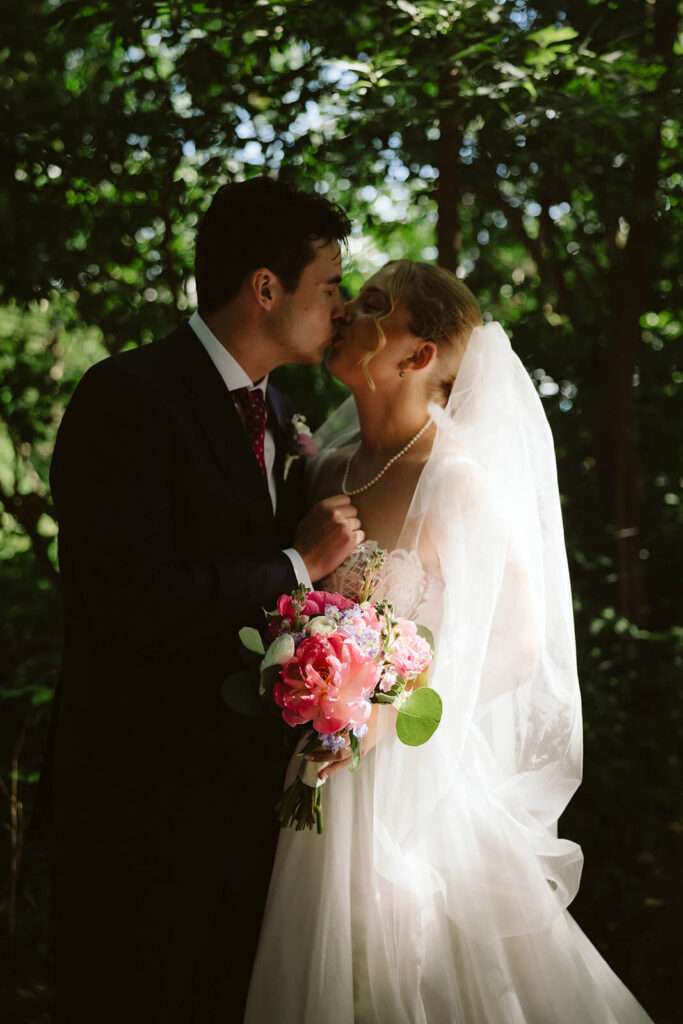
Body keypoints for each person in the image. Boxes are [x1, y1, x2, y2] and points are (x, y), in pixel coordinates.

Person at [244, 260, 655, 1023]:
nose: (345, 314)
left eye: (372, 307)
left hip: (408, 776)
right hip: (318, 766)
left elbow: (516, 645)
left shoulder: (458, 480)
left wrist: (386, 711)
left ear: (415, 356)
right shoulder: (324, 470)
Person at [43, 176, 366, 1023]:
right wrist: (298, 564)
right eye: (328, 284)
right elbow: (136, 604)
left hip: (249, 813)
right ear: (266, 287)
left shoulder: (281, 410)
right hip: (140, 816)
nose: (340, 305)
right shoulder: (129, 398)